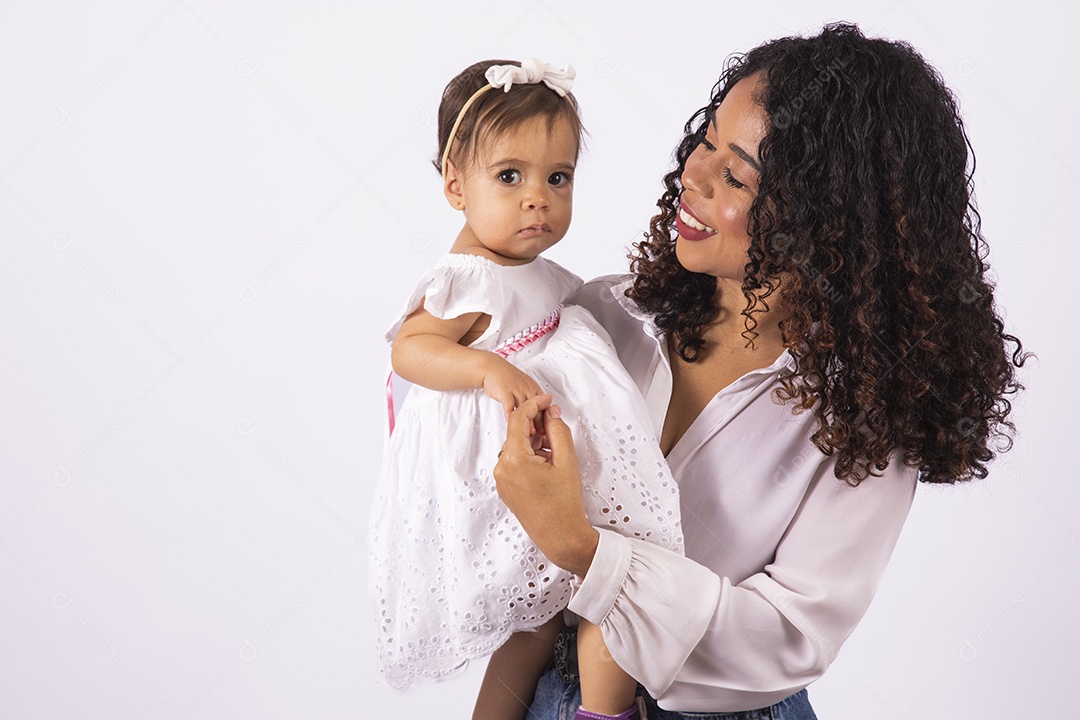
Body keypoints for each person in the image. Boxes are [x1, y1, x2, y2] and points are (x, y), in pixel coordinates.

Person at [493, 23, 1031, 719]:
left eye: (735, 175)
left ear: (821, 218)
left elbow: (786, 639)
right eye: (705, 143)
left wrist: (581, 547)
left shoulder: (861, 417)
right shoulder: (605, 319)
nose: (691, 175)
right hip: (553, 691)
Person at [367, 58, 683, 720]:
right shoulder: (468, 278)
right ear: (456, 186)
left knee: (576, 605)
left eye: (558, 177)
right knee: (605, 589)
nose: (537, 196)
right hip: (512, 479)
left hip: (556, 461)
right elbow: (411, 348)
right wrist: (487, 368)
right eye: (509, 176)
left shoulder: (530, 268)